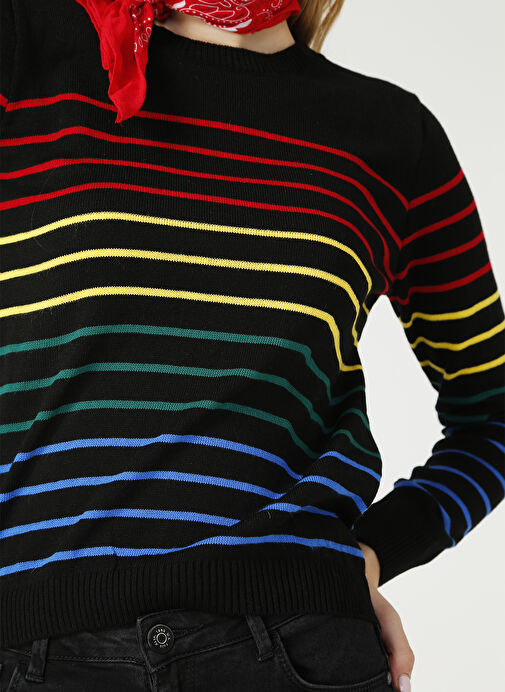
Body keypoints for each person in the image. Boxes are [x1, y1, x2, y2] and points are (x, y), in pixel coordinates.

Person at [0, 1, 503, 691]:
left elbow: (491, 414)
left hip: (296, 644)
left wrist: (372, 554)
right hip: (35, 647)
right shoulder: (29, 46)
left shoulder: (388, 135)